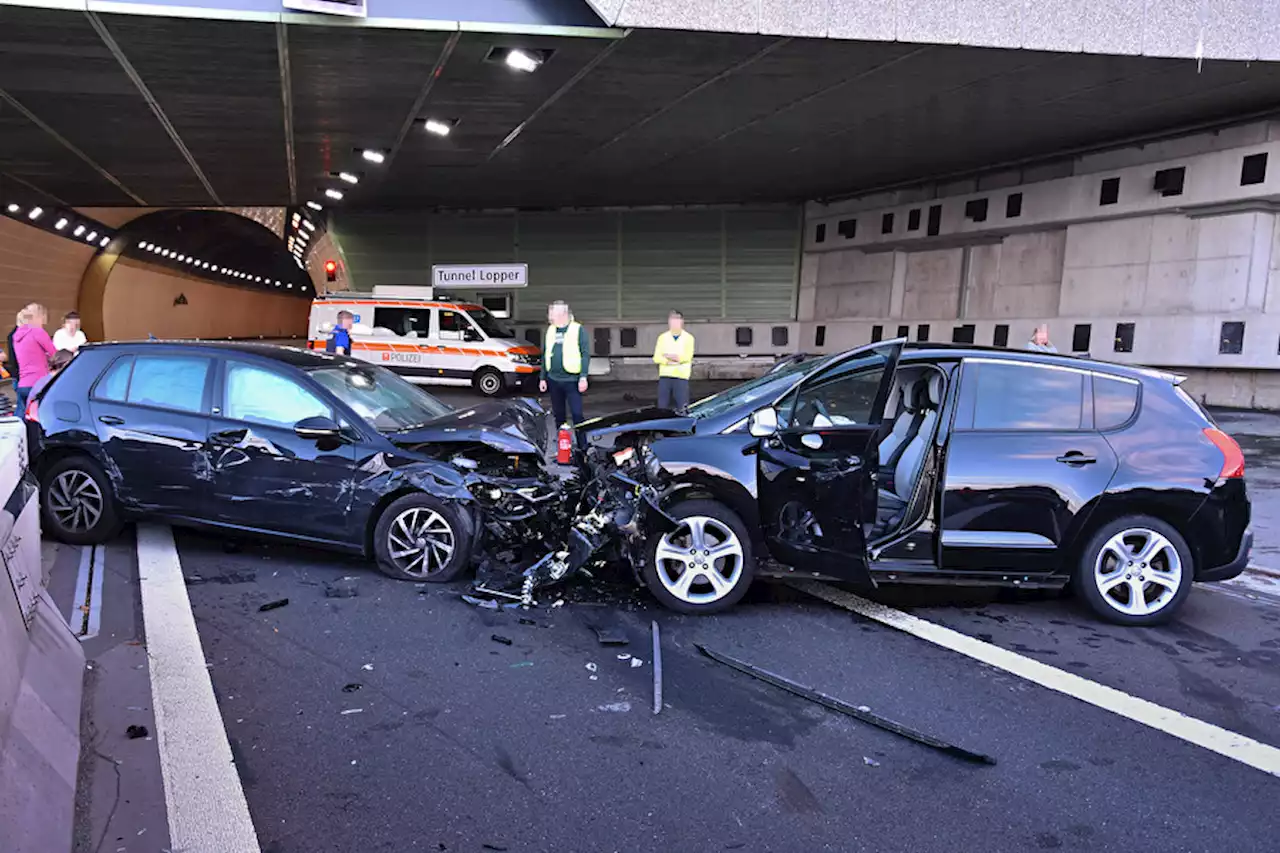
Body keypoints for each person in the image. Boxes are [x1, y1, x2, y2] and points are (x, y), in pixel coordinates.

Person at [539, 300, 589, 435]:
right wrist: (542, 378)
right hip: (554, 380)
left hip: (572, 380)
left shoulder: (578, 329)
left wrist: (583, 377)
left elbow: (585, 354)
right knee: (559, 416)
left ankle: (582, 447)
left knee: (577, 415)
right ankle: (562, 449)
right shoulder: (551, 330)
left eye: (552, 314)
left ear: (562, 315)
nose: (549, 317)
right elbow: (545, 354)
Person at [13, 303, 56, 414]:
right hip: (38, 383)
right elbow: (56, 355)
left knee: (23, 424)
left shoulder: (16, 336)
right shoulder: (37, 332)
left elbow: (30, 354)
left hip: (22, 384)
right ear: (38, 317)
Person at [653, 309, 695, 410]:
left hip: (681, 377)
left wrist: (672, 357)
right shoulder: (662, 337)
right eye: (672, 320)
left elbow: (688, 356)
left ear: (682, 321)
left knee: (682, 406)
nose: (674, 323)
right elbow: (656, 357)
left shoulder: (689, 338)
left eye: (677, 320)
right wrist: (668, 361)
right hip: (665, 377)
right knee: (662, 406)